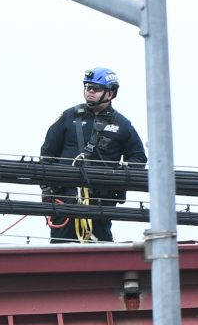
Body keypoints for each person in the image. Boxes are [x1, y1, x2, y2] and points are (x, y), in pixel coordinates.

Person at [40, 67, 147, 243]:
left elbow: (137, 158)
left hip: (100, 202)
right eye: (88, 87)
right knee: (61, 251)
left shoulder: (122, 125)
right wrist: (48, 190)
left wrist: (118, 175)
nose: (90, 91)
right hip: (66, 199)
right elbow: (47, 153)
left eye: (96, 88)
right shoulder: (68, 116)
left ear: (110, 93)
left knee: (101, 250)